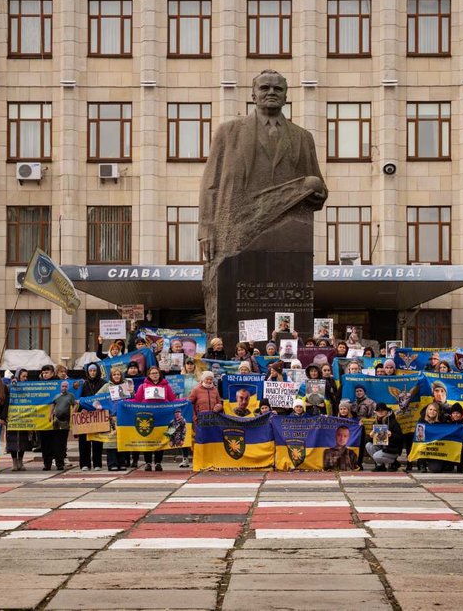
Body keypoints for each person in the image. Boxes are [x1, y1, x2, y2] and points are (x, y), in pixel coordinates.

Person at [199, 69, 328, 331]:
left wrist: (317, 193)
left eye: (277, 89)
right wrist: (206, 229)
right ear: (253, 95)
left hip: (286, 232)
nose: (271, 93)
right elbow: (211, 184)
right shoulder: (229, 132)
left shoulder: (302, 137)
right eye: (265, 88)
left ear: (286, 96)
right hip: (235, 230)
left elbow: (317, 184)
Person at [134, 366, 177, 471]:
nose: (154, 375)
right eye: (152, 373)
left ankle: (158, 462)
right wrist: (125, 403)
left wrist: (185, 401)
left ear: (159, 374)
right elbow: (137, 401)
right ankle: (148, 462)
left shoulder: (166, 386)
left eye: (156, 373)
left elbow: (173, 400)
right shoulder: (142, 386)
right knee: (147, 439)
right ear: (149, 375)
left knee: (160, 438)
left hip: (162, 416)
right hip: (147, 417)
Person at [1, 367, 32, 471]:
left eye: (26, 377)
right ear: (18, 376)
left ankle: (20, 461)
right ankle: (14, 461)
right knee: (12, 439)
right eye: (23, 376)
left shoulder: (28, 387)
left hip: (24, 416)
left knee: (23, 439)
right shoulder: (11, 386)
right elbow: (6, 400)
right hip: (12, 416)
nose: (25, 378)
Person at [77, 363, 105, 471]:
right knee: (84, 440)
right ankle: (85, 464)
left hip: (98, 414)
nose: (92, 373)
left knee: (97, 440)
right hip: (85, 415)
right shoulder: (83, 384)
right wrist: (81, 409)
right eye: (90, 371)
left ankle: (97, 463)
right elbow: (78, 399)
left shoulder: (103, 383)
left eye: (94, 371)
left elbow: (106, 398)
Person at [45, 378, 75, 471]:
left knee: (62, 442)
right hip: (56, 420)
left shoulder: (70, 396)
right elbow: (53, 405)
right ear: (60, 387)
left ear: (68, 387)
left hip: (65, 421)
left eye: (66, 386)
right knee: (54, 441)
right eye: (63, 386)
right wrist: (50, 415)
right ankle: (54, 461)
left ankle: (60, 462)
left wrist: (73, 413)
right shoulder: (57, 396)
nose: (64, 388)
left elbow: (74, 404)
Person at [366, 402, 406, 472]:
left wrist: (392, 435)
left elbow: (400, 439)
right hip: (382, 447)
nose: (380, 412)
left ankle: (394, 463)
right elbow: (373, 441)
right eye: (378, 410)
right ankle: (380, 466)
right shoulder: (375, 423)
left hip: (392, 449)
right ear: (376, 412)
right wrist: (371, 436)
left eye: (382, 410)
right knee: (368, 445)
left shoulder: (393, 422)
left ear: (386, 411)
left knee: (376, 456)